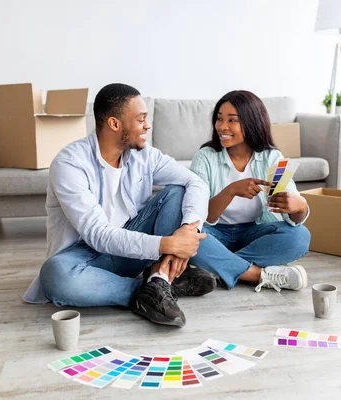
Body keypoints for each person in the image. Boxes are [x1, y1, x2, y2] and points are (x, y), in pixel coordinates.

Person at [23, 83, 216, 327]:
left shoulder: (145, 155)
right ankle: (155, 286)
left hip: (133, 247)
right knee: (55, 275)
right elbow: (98, 235)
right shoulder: (69, 164)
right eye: (141, 119)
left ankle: (159, 280)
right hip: (87, 256)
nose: (148, 125)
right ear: (115, 124)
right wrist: (168, 244)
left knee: (178, 192)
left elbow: (196, 182)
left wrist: (189, 230)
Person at [189, 90, 311, 292]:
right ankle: (257, 274)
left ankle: (221, 266)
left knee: (300, 237)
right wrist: (230, 191)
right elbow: (200, 215)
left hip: (253, 232)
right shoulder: (205, 157)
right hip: (214, 233)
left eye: (231, 120)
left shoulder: (273, 158)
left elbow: (292, 216)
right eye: (219, 119)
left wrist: (300, 206)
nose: (222, 126)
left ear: (252, 122)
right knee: (191, 237)